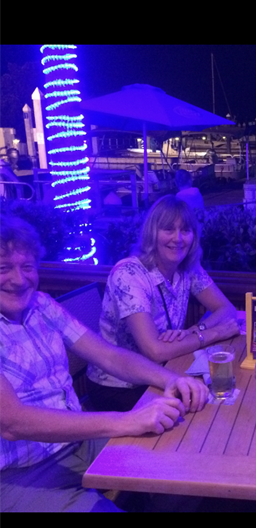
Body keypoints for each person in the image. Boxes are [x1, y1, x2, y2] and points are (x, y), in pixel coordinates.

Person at [0, 215, 209, 513]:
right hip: (18, 475)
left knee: (184, 462)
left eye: (27, 267)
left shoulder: (42, 305)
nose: (19, 280)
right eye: (4, 268)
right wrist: (128, 420)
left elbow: (109, 356)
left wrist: (170, 380)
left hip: (77, 443)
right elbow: (12, 422)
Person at [87, 195, 238, 412]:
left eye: (185, 230)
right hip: (119, 386)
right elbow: (154, 351)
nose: (178, 238)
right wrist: (212, 334)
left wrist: (196, 329)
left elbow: (227, 310)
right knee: (203, 411)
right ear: (152, 234)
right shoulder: (129, 273)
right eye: (168, 229)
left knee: (218, 399)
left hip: (164, 370)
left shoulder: (189, 267)